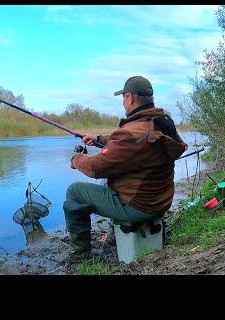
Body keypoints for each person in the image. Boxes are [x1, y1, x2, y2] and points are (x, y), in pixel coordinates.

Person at [64, 75, 188, 260]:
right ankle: (116, 234)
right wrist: (98, 139)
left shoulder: (132, 133)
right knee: (111, 180)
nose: (123, 102)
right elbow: (128, 142)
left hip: (139, 205)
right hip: (161, 200)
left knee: (75, 192)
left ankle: (81, 256)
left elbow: (95, 168)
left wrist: (76, 159)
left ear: (130, 97)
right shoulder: (160, 122)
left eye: (123, 97)